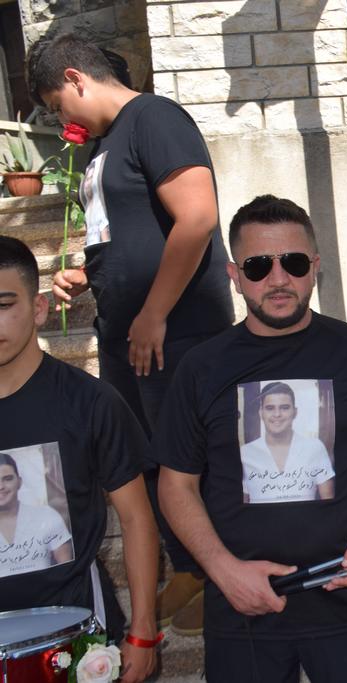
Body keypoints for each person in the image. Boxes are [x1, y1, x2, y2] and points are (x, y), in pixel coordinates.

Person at [154, 196, 347, 682]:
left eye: (294, 263)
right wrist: (222, 570)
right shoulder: (201, 367)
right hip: (242, 607)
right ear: (235, 276)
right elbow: (175, 484)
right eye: (259, 266)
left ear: (314, 267)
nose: (278, 279)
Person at [27, 33, 236, 632]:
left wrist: (155, 312)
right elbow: (127, 231)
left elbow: (196, 216)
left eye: (56, 106)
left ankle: (222, 576)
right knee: (150, 457)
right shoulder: (106, 143)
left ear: (75, 78)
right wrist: (88, 274)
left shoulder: (154, 118)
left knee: (191, 459)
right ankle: (191, 568)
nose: (62, 121)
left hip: (176, 330)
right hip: (128, 334)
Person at [0, 236, 159, 682]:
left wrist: (144, 630)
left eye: (4, 305)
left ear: (39, 309)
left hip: (76, 637)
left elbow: (136, 519)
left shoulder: (90, 402)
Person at [240, 381, 336, 504]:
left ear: (295, 412)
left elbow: (328, 503)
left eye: (284, 407)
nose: (277, 414)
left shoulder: (315, 448)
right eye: (270, 408)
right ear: (261, 413)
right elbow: (241, 506)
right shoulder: (245, 453)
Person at [0, 452, 73, 574]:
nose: (1, 486)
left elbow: (67, 570)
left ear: (19, 482)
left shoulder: (47, 516)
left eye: (7, 479)